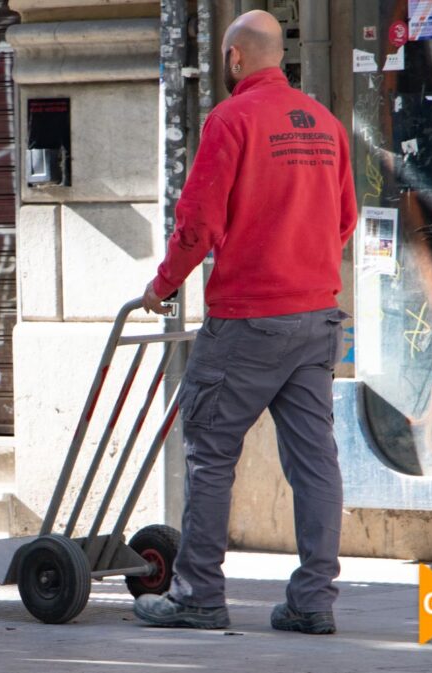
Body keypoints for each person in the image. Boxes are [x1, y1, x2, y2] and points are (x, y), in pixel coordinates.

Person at [133, 10, 357, 634]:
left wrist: (163, 285)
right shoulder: (326, 124)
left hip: (248, 320)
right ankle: (313, 601)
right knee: (316, 462)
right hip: (316, 318)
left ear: (235, 59)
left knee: (209, 453)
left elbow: (199, 223)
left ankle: (199, 593)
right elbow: (344, 220)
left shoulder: (230, 119)